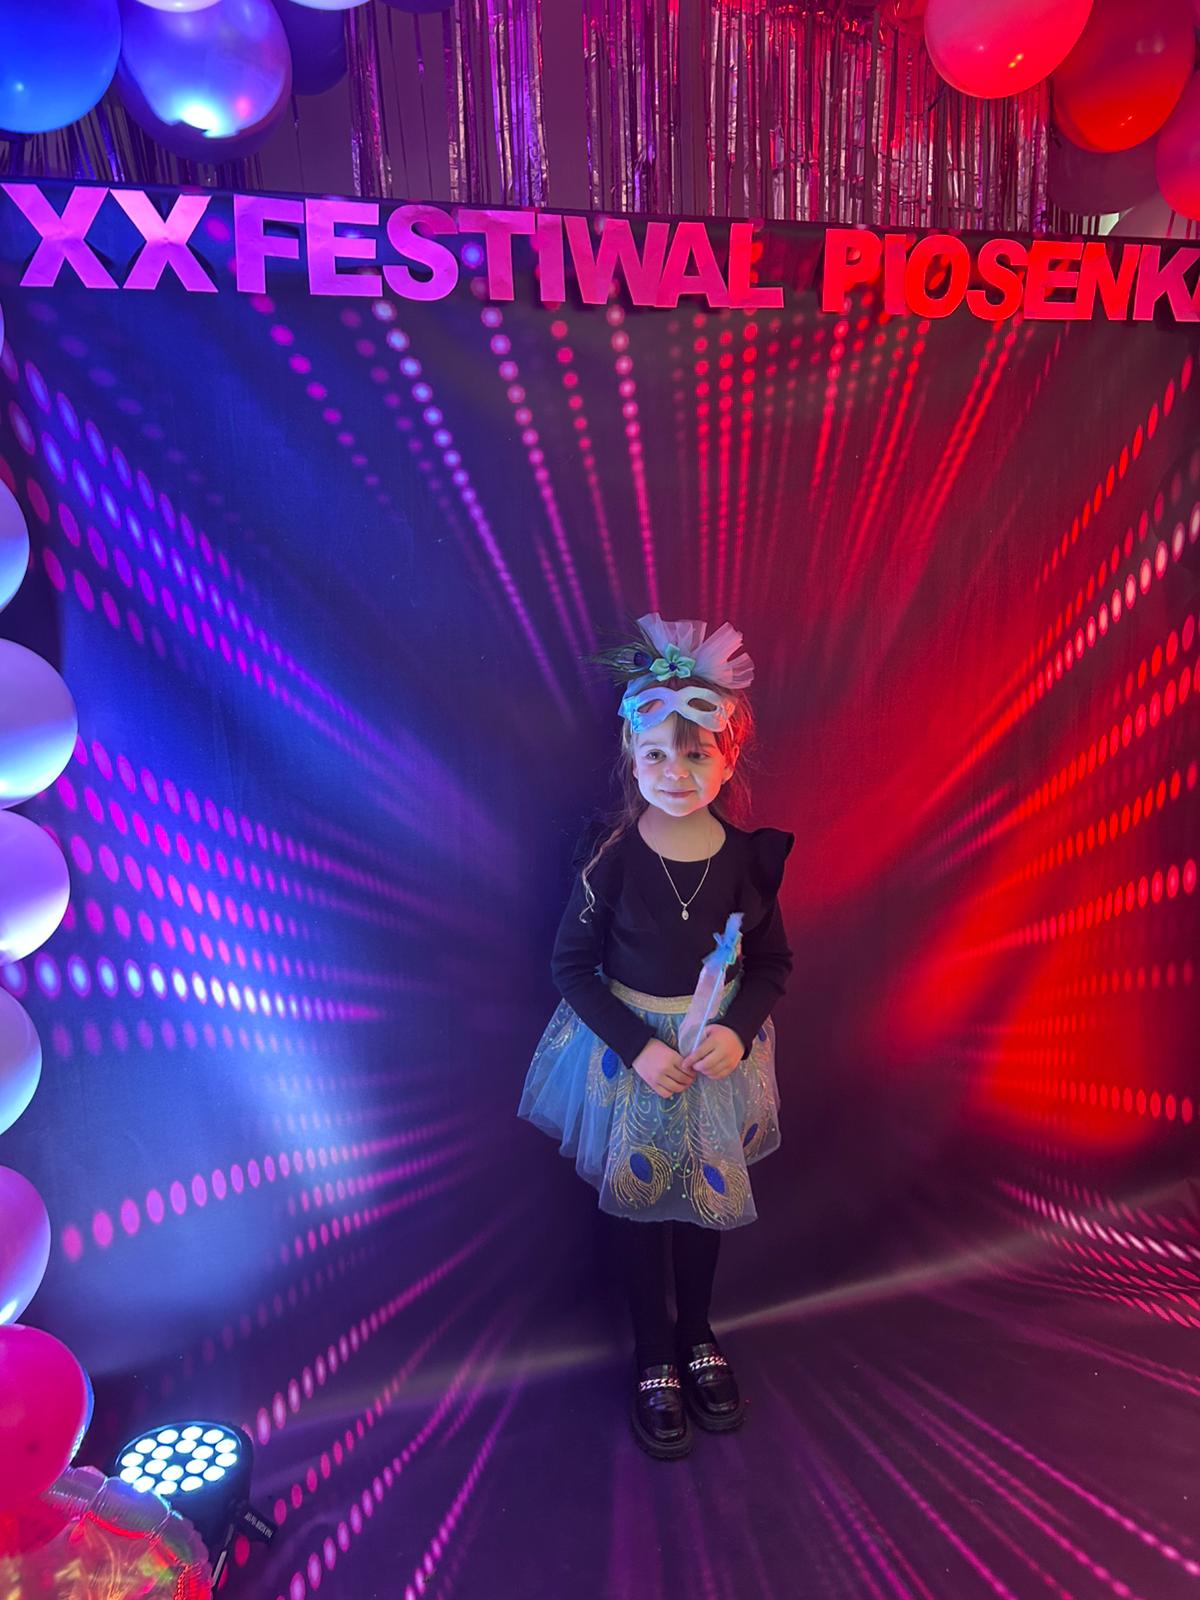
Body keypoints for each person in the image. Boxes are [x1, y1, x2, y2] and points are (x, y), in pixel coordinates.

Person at [518, 612, 793, 1460]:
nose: (677, 773)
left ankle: (697, 1329)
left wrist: (738, 1031)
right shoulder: (611, 858)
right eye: (657, 756)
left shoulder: (746, 860)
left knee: (704, 1202)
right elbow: (571, 967)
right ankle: (653, 1351)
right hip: (632, 1060)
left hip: (713, 1061)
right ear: (632, 759)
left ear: (728, 759)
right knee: (640, 1208)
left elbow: (772, 962)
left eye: (697, 754)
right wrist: (637, 1047)